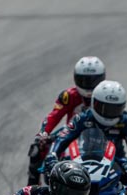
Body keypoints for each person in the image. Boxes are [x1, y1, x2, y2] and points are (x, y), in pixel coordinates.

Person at [43, 80, 127, 184]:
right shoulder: (82, 117)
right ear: (93, 102)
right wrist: (52, 155)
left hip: (116, 163)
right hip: (81, 159)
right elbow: (62, 138)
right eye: (104, 108)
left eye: (114, 109)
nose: (108, 113)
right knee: (54, 176)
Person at [27, 56, 106, 185]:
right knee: (37, 148)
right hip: (72, 133)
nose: (89, 84)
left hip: (102, 134)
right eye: (84, 80)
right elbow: (54, 115)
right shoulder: (68, 96)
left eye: (94, 80)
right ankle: (33, 188)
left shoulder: (106, 95)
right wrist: (44, 133)